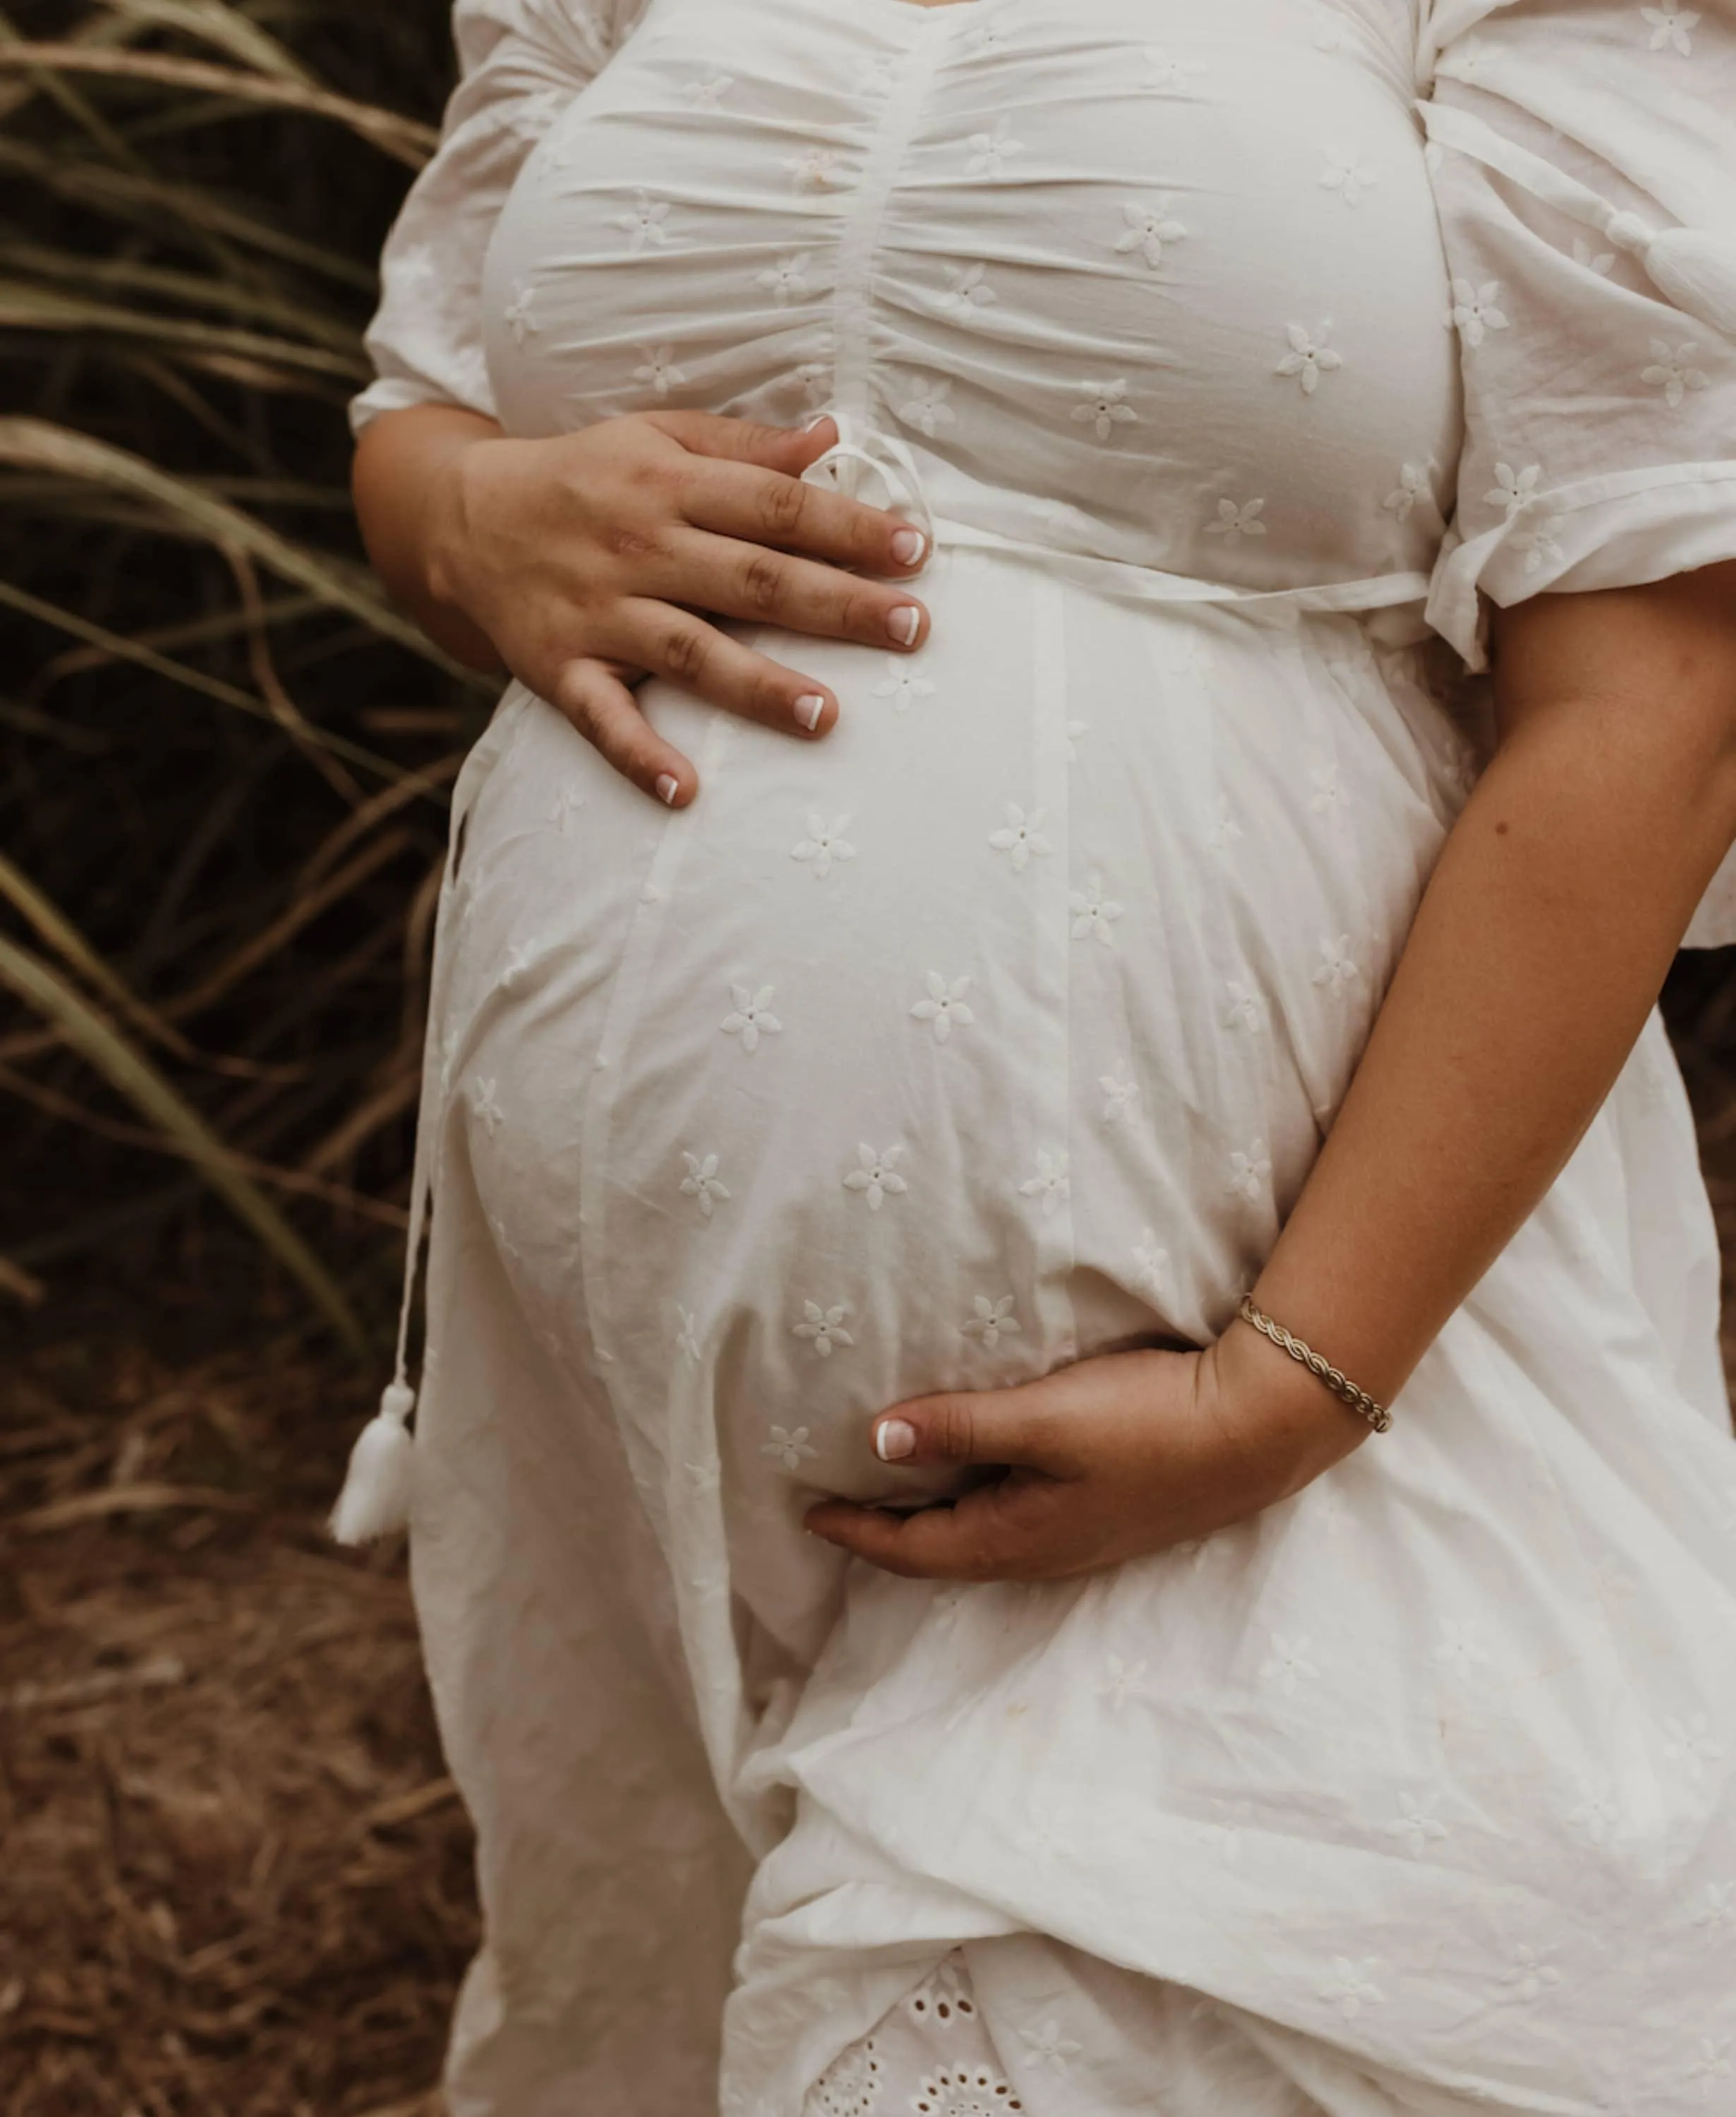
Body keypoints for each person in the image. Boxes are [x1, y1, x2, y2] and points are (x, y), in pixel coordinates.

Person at [337, 0, 1736, 2109]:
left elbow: (1657, 691)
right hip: (634, 1436)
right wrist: (473, 522)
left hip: (1273, 1355)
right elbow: (427, 409)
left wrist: (1287, 1385)